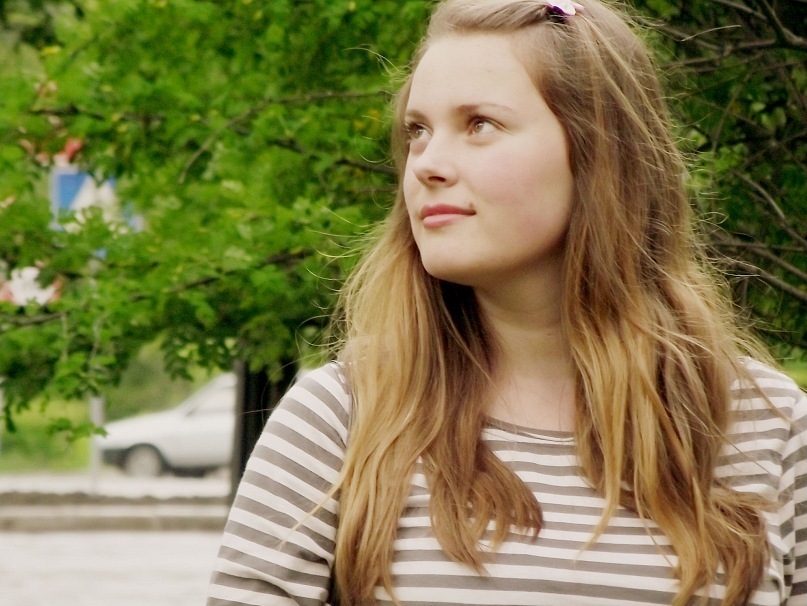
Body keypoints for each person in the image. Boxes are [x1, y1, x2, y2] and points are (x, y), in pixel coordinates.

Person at [206, 0, 807, 604]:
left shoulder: (768, 430)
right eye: (418, 131)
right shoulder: (341, 419)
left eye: (479, 125)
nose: (427, 165)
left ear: (597, 153)